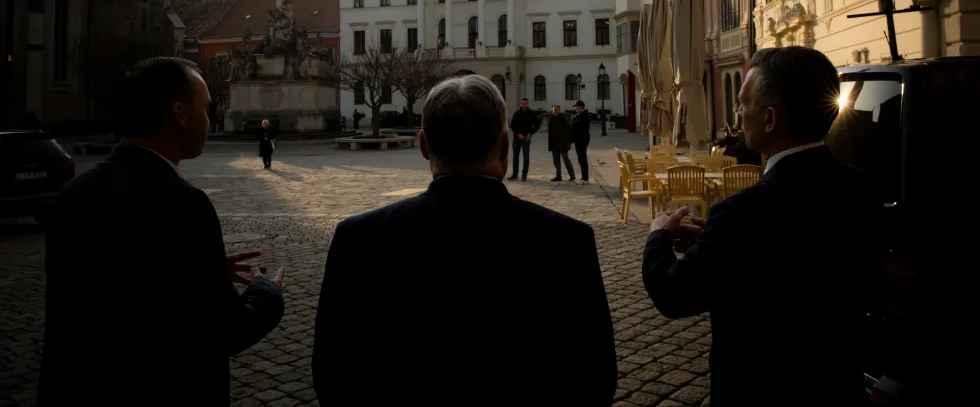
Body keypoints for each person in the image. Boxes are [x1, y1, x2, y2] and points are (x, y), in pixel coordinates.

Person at [312, 74, 616, 406]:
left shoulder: (358, 240)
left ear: (423, 146)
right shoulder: (568, 242)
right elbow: (595, 381)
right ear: (504, 146)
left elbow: (333, 379)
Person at [38, 57, 287, 406]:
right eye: (205, 109)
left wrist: (201, 270)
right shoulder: (183, 203)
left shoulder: (72, 195)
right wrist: (267, 292)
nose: (208, 119)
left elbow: (117, 287)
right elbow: (222, 331)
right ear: (179, 114)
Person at [641, 46, 876, 407]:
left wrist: (657, 235)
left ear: (769, 119)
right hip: (836, 386)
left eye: (741, 103)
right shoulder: (861, 188)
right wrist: (716, 245)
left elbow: (674, 295)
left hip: (761, 390)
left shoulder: (742, 213)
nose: (737, 112)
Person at [507, 97, 541, 181]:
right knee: (515, 157)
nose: (524, 105)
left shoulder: (531, 113)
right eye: (523, 103)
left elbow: (537, 124)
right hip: (517, 138)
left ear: (527, 104)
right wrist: (518, 134)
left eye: (525, 103)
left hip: (526, 138)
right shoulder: (517, 113)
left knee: (526, 157)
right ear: (521, 104)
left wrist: (531, 133)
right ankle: (515, 174)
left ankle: (524, 175)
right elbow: (512, 125)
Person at [546, 104, 576, 182]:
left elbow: (569, 130)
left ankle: (572, 175)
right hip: (554, 143)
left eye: (557, 109)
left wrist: (568, 141)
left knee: (566, 159)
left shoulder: (564, 119)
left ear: (559, 110)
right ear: (552, 110)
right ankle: (558, 175)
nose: (556, 111)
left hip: (563, 143)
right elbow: (550, 133)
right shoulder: (551, 119)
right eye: (554, 110)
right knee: (556, 160)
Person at [571, 100, 591, 183]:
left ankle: (585, 178)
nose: (575, 108)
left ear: (580, 108)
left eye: (576, 107)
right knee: (581, 159)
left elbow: (576, 125)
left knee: (582, 159)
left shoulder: (583, 116)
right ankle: (584, 177)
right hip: (579, 140)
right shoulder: (580, 115)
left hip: (581, 140)